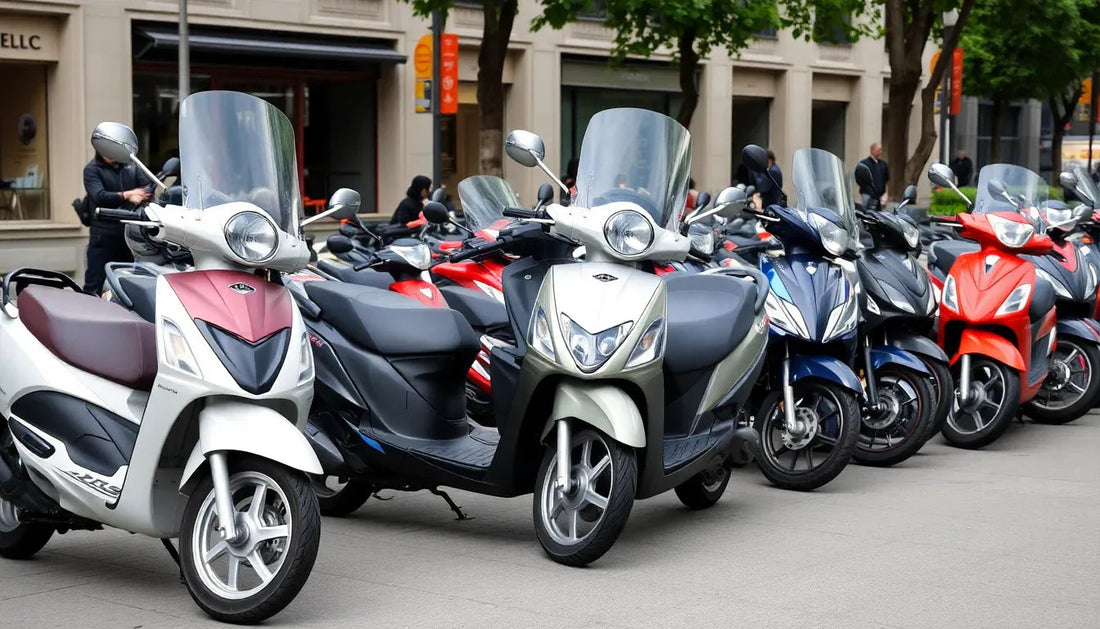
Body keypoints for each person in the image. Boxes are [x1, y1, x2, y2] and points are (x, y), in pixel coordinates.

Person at [82, 143, 152, 294]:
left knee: (129, 284)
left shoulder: (131, 166)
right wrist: (127, 195)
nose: (109, 154)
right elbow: (99, 196)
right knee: (94, 285)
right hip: (103, 235)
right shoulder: (92, 169)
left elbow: (147, 187)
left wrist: (139, 195)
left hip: (130, 235)